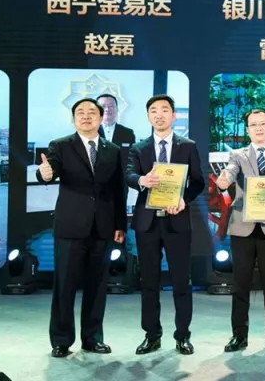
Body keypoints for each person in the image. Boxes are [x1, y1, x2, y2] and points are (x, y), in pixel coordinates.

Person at [37, 98, 127, 358]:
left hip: (103, 227)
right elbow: (49, 170)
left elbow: (118, 190)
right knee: (64, 286)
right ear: (73, 118)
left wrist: (120, 224)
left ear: (100, 118)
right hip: (71, 226)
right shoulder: (61, 145)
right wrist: (44, 174)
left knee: (97, 287)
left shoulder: (113, 150)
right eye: (80, 112)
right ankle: (61, 340)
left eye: (91, 112)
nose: (86, 116)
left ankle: (93, 338)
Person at [125, 94, 205, 355]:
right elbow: (128, 174)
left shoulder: (188, 146)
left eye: (164, 110)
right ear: (148, 116)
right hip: (147, 223)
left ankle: (183, 335)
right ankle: (151, 335)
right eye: (154, 111)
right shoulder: (139, 148)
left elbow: (198, 181)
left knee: (181, 281)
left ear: (173, 115)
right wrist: (141, 180)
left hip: (177, 220)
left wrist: (183, 199)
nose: (159, 115)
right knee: (149, 281)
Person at [215, 108, 265, 353]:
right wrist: (223, 182)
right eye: (254, 124)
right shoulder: (237, 155)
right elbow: (229, 174)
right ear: (247, 129)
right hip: (243, 227)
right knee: (240, 285)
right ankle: (239, 336)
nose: (259, 128)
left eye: (263, 124)